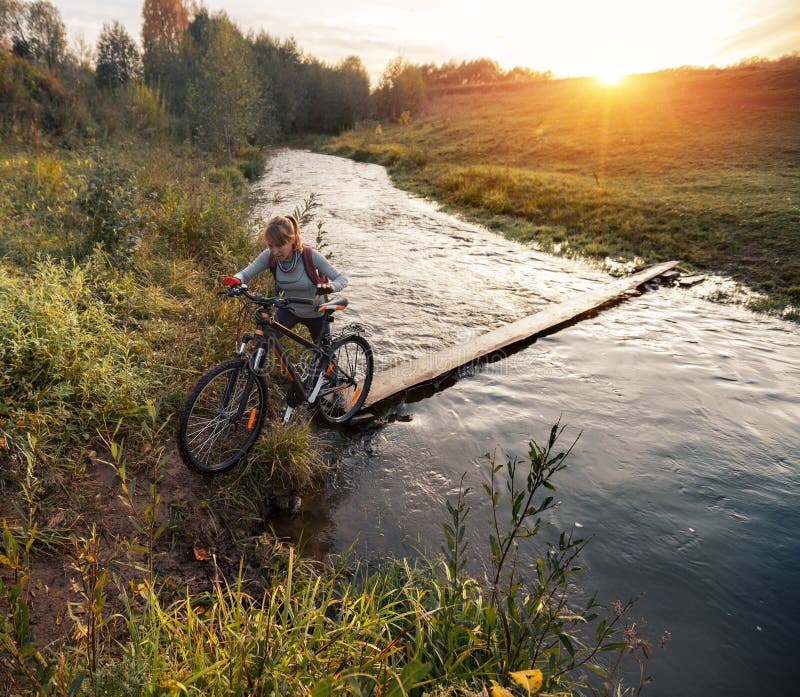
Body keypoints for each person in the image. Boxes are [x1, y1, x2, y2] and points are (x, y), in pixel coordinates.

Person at [222, 214, 348, 344]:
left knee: (325, 357)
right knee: (265, 341)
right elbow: (247, 273)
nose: (275, 251)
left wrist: (331, 287)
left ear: (292, 240)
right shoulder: (269, 256)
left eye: (280, 245)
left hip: (316, 312)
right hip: (289, 310)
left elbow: (342, 279)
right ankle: (258, 364)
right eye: (271, 246)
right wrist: (236, 279)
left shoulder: (310, 255)